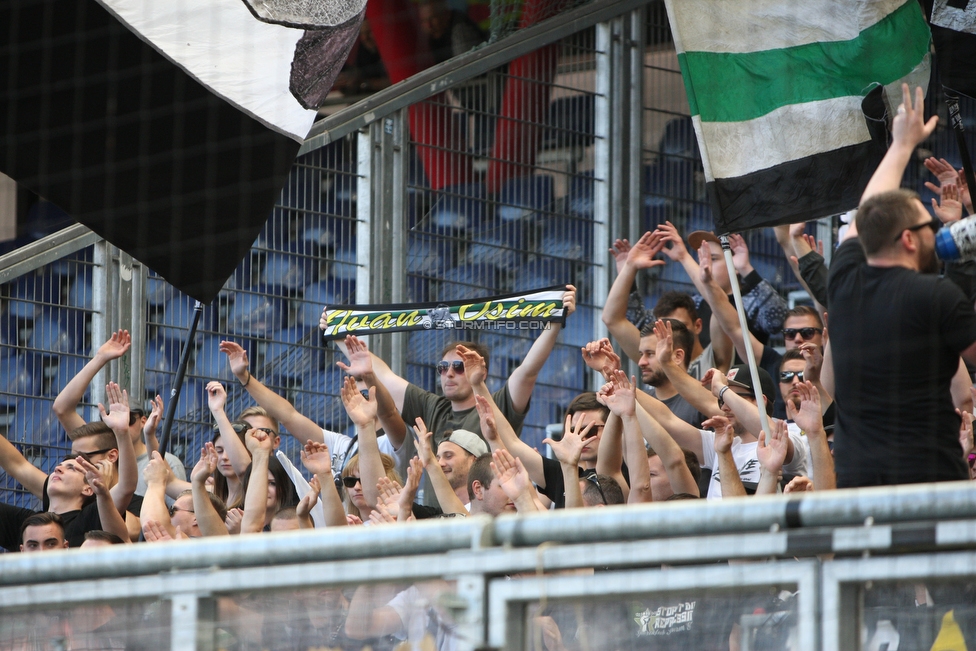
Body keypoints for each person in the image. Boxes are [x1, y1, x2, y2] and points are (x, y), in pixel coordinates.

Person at [827, 83, 976, 487]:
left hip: (859, 485)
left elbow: (864, 220)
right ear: (909, 240)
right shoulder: (936, 296)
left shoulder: (842, 282)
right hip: (926, 484)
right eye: (927, 227)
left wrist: (902, 145)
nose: (934, 232)